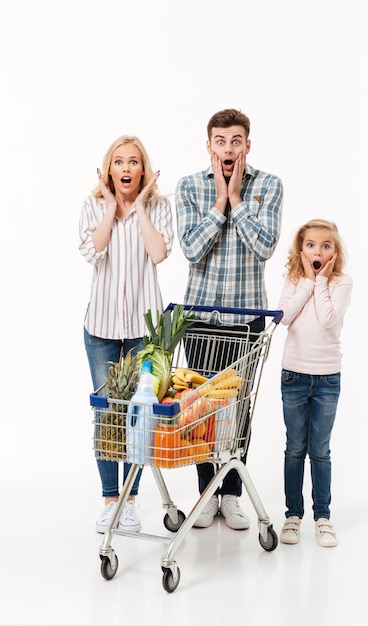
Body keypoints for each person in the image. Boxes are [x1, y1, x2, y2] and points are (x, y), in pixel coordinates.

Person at [175, 108, 283, 530]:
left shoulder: (269, 185)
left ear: (247, 145)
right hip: (200, 317)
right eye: (220, 141)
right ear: (209, 146)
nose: (228, 149)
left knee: (238, 410)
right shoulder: (188, 187)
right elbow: (190, 249)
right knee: (200, 411)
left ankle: (232, 495)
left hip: (246, 323)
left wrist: (236, 199)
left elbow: (264, 247)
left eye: (236, 141)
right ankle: (206, 494)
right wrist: (220, 200)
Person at [79, 135, 174, 533]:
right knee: (107, 415)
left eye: (133, 162)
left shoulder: (158, 207)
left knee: (138, 416)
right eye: (118, 162)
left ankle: (131, 502)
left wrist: (139, 208)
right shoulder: (91, 205)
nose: (126, 169)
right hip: (100, 328)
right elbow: (91, 251)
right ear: (109, 170)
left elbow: (159, 253)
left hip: (141, 330)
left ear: (143, 170)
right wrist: (108, 207)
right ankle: (109, 499)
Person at [277, 219, 352, 547]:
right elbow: (283, 316)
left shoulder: (342, 283)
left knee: (320, 450)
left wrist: (320, 282)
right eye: (311, 245)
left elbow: (327, 319)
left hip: (326, 379)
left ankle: (323, 516)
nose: (317, 250)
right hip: (294, 374)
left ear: (334, 252)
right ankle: (293, 515)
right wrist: (307, 281)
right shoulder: (294, 280)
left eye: (325, 245)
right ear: (301, 249)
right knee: (295, 448)